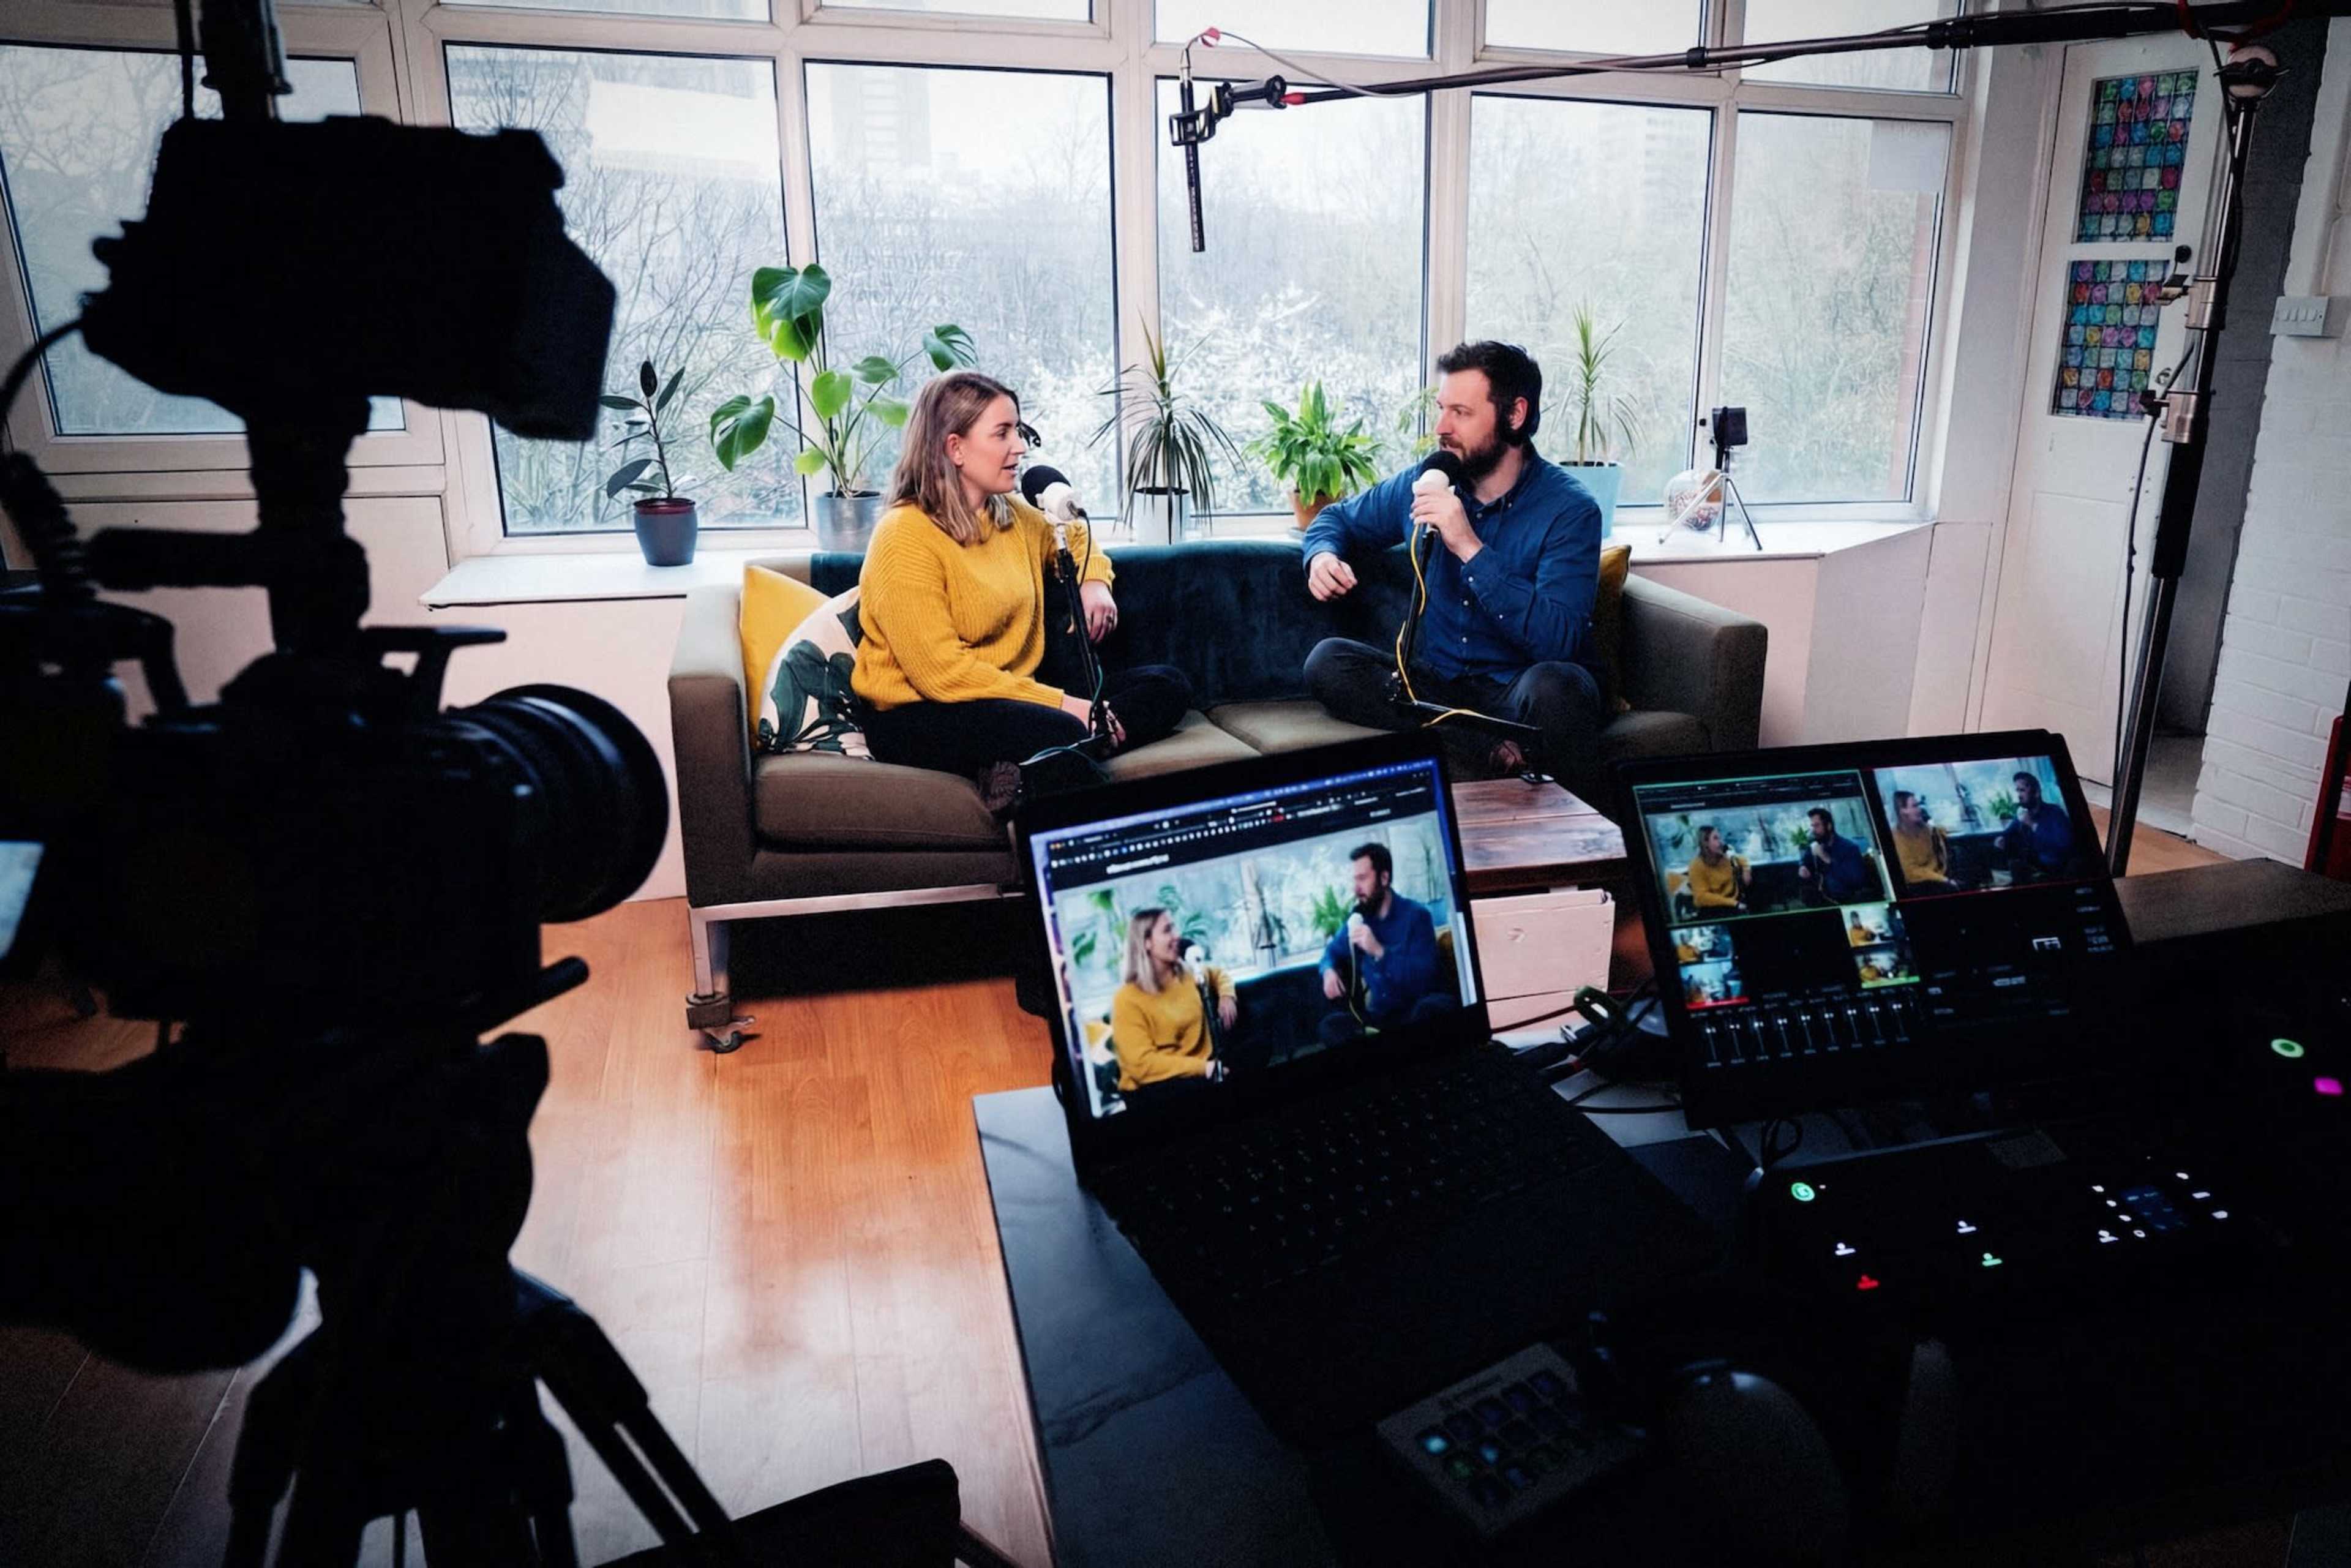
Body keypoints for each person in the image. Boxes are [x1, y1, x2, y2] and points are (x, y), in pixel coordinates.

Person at [854, 371, 1193, 812]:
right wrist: (1065, 705)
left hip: (1005, 694)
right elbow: (943, 674)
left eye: (1018, 430)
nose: (1020, 447)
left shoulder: (1011, 513)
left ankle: (1019, 768)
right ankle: (1074, 775)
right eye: (1002, 433)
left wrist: (1093, 581)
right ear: (955, 448)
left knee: (1167, 685)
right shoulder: (904, 535)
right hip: (919, 712)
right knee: (1062, 729)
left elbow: (1075, 536)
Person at [1297, 342, 1605, 781]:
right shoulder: (1426, 483)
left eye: (1461, 413)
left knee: (1561, 687)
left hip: (1517, 691)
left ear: (1515, 415)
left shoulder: (1570, 510)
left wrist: (1468, 546)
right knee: (1328, 662)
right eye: (1442, 409)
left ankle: (1487, 748)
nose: (1441, 427)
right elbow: (1336, 519)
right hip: (1439, 688)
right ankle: (1485, 744)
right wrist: (1322, 555)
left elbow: (1559, 641)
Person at [1318, 842, 1454, 1045]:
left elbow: (1425, 978)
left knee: (1432, 1009)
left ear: (1384, 878)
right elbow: (1331, 952)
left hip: (1417, 1009)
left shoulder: (1417, 916)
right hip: (1381, 1017)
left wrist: (1379, 952)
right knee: (1331, 1026)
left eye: (1363, 879)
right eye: (1355, 880)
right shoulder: (1359, 919)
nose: (1356, 889)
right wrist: (1328, 971)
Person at [1108, 908, 1237, 1108]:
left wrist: (1227, 995)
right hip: (1154, 1088)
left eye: (1174, 928)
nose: (1177, 936)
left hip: (1198, 1072)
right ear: (1147, 943)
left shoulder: (1186, 973)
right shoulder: (1126, 999)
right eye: (1167, 930)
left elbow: (1218, 974)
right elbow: (1141, 1065)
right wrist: (1205, 1068)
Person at [1997, 771, 2076, 880]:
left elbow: (2065, 844)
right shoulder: (2024, 813)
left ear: (2037, 793)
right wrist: (2002, 837)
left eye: (2022, 790)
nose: (2019, 796)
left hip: (2055, 869)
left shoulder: (2055, 813)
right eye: (2017, 791)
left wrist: (2032, 824)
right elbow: (2008, 831)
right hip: (2034, 867)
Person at [1795, 808, 1877, 905]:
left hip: (1845, 900)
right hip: (1823, 897)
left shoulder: (1849, 848)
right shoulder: (1817, 844)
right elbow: (1805, 859)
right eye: (1812, 826)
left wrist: (1827, 859)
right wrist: (1803, 866)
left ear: (1829, 826)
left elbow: (1857, 881)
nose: (1813, 831)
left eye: (1817, 826)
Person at [1888, 790, 1952, 888]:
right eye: (1914, 806)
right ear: (1903, 811)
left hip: (1938, 876)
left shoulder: (1923, 828)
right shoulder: (1897, 837)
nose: (1919, 810)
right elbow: (1910, 872)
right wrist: (1944, 880)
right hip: (1919, 884)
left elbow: (1936, 830)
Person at [1684, 825, 1750, 913]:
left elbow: (1742, 859)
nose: (1721, 842)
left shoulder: (1725, 857)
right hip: (1713, 909)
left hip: (1734, 904)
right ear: (1705, 843)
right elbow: (1701, 897)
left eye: (1720, 838)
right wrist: (1734, 903)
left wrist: (1746, 870)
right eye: (1716, 838)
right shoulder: (1696, 866)